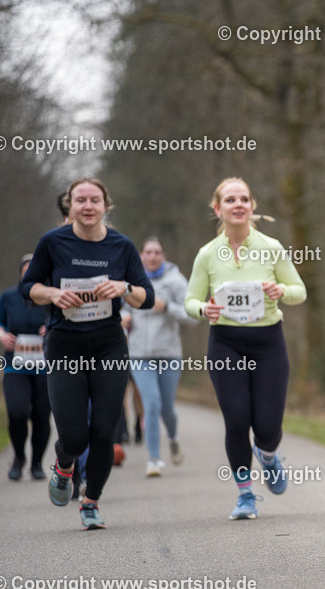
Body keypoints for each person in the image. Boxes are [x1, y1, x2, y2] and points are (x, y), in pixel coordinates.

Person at [20, 178, 154, 529]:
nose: (88, 206)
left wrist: (123, 287)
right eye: (81, 200)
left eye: (95, 200)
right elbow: (27, 288)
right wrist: (50, 294)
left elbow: (147, 297)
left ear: (106, 205)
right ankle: (64, 466)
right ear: (71, 205)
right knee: (74, 435)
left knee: (103, 433)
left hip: (109, 345)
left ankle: (90, 501)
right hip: (65, 345)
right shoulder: (53, 242)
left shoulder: (121, 246)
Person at [184, 177, 306, 520]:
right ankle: (245, 495)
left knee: (267, 426)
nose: (238, 204)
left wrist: (280, 291)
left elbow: (299, 290)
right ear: (217, 208)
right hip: (225, 342)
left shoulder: (271, 247)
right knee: (236, 418)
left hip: (268, 341)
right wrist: (202, 310)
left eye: (244, 199)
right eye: (230, 200)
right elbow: (190, 300)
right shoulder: (208, 254)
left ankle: (267, 455)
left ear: (252, 206)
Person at [124, 237, 193, 477]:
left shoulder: (176, 280)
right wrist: (123, 319)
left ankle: (173, 437)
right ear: (141, 255)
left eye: (157, 252)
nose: (153, 256)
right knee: (151, 404)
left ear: (163, 256)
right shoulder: (131, 280)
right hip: (139, 355)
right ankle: (154, 459)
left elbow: (192, 315)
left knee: (166, 409)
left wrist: (167, 307)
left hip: (169, 354)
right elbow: (121, 308)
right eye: (148, 252)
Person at [0, 254, 50, 480]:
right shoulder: (8, 297)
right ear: (20, 274)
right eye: (26, 271)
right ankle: (19, 457)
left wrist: (52, 329)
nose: (30, 274)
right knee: (17, 412)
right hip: (14, 365)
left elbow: (63, 319)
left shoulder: (51, 298)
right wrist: (1, 335)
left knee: (41, 415)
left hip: (45, 366)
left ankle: (36, 463)